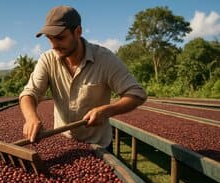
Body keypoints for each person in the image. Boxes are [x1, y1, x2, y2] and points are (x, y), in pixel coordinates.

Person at [19, 5, 147, 152]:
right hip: (63, 145)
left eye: (60, 38)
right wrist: (31, 118)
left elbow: (137, 94)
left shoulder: (104, 59)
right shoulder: (48, 59)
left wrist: (106, 111)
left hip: (99, 146)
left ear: (78, 32)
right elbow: (29, 93)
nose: (54, 45)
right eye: (50, 39)